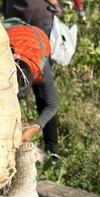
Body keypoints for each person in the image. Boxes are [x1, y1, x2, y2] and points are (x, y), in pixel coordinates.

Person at [8, 22, 61, 158]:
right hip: (13, 37)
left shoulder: (41, 68)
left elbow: (53, 104)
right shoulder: (0, 61)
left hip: (37, 39)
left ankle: (53, 151)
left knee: (44, 100)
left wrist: (35, 126)